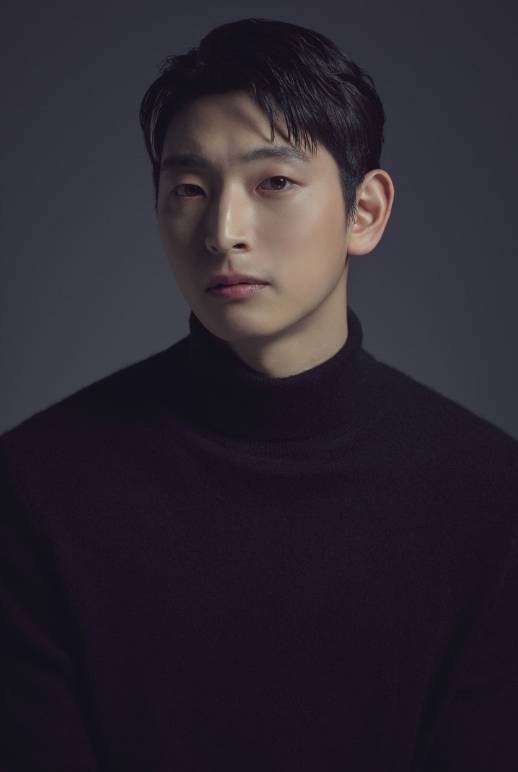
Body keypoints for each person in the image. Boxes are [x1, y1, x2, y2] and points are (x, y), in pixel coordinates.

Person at [1, 16, 517, 772]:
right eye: (189, 188)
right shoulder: (35, 487)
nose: (223, 231)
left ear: (365, 212)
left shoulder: (491, 498)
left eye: (274, 182)